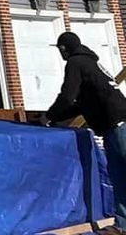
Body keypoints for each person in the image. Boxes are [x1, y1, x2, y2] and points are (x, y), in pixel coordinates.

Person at [44, 29, 126, 215]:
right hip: (111, 126)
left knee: (121, 173)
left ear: (64, 49)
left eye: (60, 49)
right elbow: (81, 105)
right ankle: (123, 225)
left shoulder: (75, 63)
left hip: (119, 123)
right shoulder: (89, 63)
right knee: (118, 175)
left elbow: (67, 97)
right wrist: (55, 117)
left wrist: (48, 116)